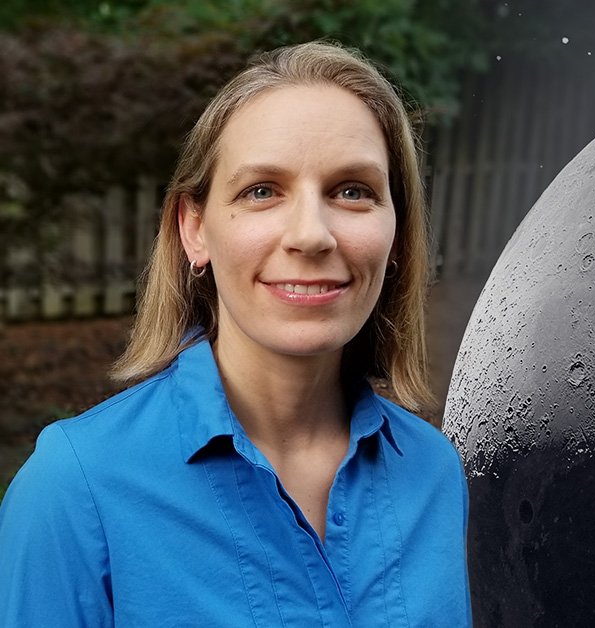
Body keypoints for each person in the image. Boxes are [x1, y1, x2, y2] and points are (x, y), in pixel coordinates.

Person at [0, 41, 470, 627]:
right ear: (194, 229)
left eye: (353, 190)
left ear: (396, 233)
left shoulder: (436, 474)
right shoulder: (74, 489)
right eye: (261, 191)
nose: (310, 235)